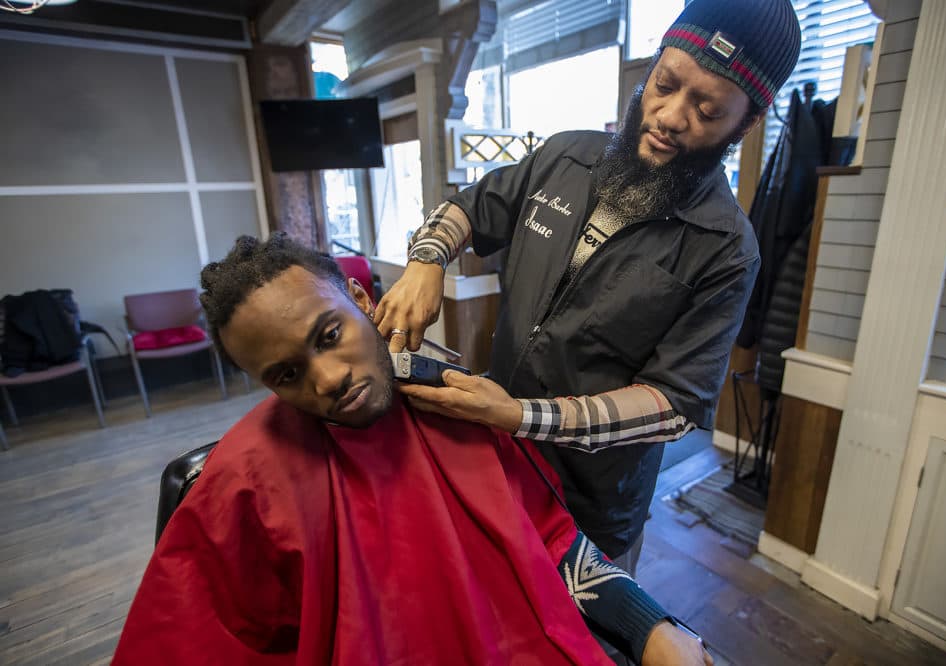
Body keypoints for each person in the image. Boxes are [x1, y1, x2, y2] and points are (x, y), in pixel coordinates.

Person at [112, 233, 712, 666]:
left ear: (361, 298)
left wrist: (649, 625)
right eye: (286, 375)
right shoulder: (243, 482)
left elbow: (553, 541)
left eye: (329, 336)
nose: (326, 380)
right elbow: (191, 639)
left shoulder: (456, 407)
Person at [377, 0, 802, 572]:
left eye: (706, 109)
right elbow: (470, 208)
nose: (671, 116)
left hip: (592, 508)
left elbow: (672, 405)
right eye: (665, 84)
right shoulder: (564, 155)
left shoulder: (726, 249)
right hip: (496, 465)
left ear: (747, 123)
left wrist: (524, 415)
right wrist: (426, 261)